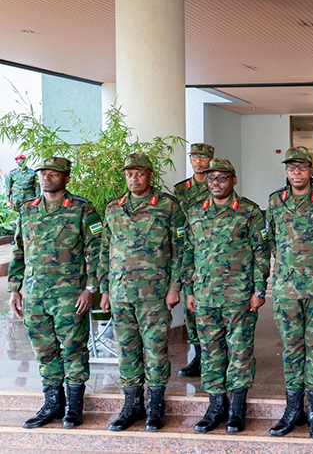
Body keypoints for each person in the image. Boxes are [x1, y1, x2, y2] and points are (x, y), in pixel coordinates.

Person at [7, 157, 102, 429]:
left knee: (73, 350)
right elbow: (19, 251)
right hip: (36, 295)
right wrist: (14, 289)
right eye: (43, 173)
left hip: (70, 295)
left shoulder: (82, 209)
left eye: (53, 173)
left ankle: (74, 407)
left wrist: (90, 288)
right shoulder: (27, 210)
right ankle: (52, 404)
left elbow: (95, 251)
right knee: (44, 352)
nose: (47, 177)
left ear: (66, 178)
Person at [99, 153, 186, 432]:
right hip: (120, 293)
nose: (133, 178)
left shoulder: (167, 205)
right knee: (126, 351)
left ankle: (155, 407)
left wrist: (175, 287)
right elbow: (105, 250)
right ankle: (132, 405)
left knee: (156, 351)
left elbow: (180, 249)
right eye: (128, 174)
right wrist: (104, 290)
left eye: (139, 173)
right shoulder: (114, 208)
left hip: (154, 294)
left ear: (150, 175)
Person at [183, 158, 270, 434]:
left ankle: (236, 409)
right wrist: (189, 290)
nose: (215, 183)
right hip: (206, 296)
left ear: (233, 180)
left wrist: (259, 290)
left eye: (222, 178)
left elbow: (261, 253)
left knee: (240, 351)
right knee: (210, 352)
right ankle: (215, 407)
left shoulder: (249, 212)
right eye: (211, 178)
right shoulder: (195, 212)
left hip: (239, 296)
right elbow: (187, 253)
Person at [267, 147, 313, 439]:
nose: (296, 172)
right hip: (286, 291)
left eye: (301, 167)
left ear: (311, 171)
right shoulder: (275, 201)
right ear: (286, 172)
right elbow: (272, 239)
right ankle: (293, 410)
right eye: (291, 168)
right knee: (292, 351)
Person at [173, 142, 215, 378]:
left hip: (213, 250)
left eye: (203, 157)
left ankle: (218, 356)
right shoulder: (181, 189)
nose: (198, 161)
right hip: (189, 251)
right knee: (192, 307)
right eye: (194, 156)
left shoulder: (216, 184)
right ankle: (198, 355)